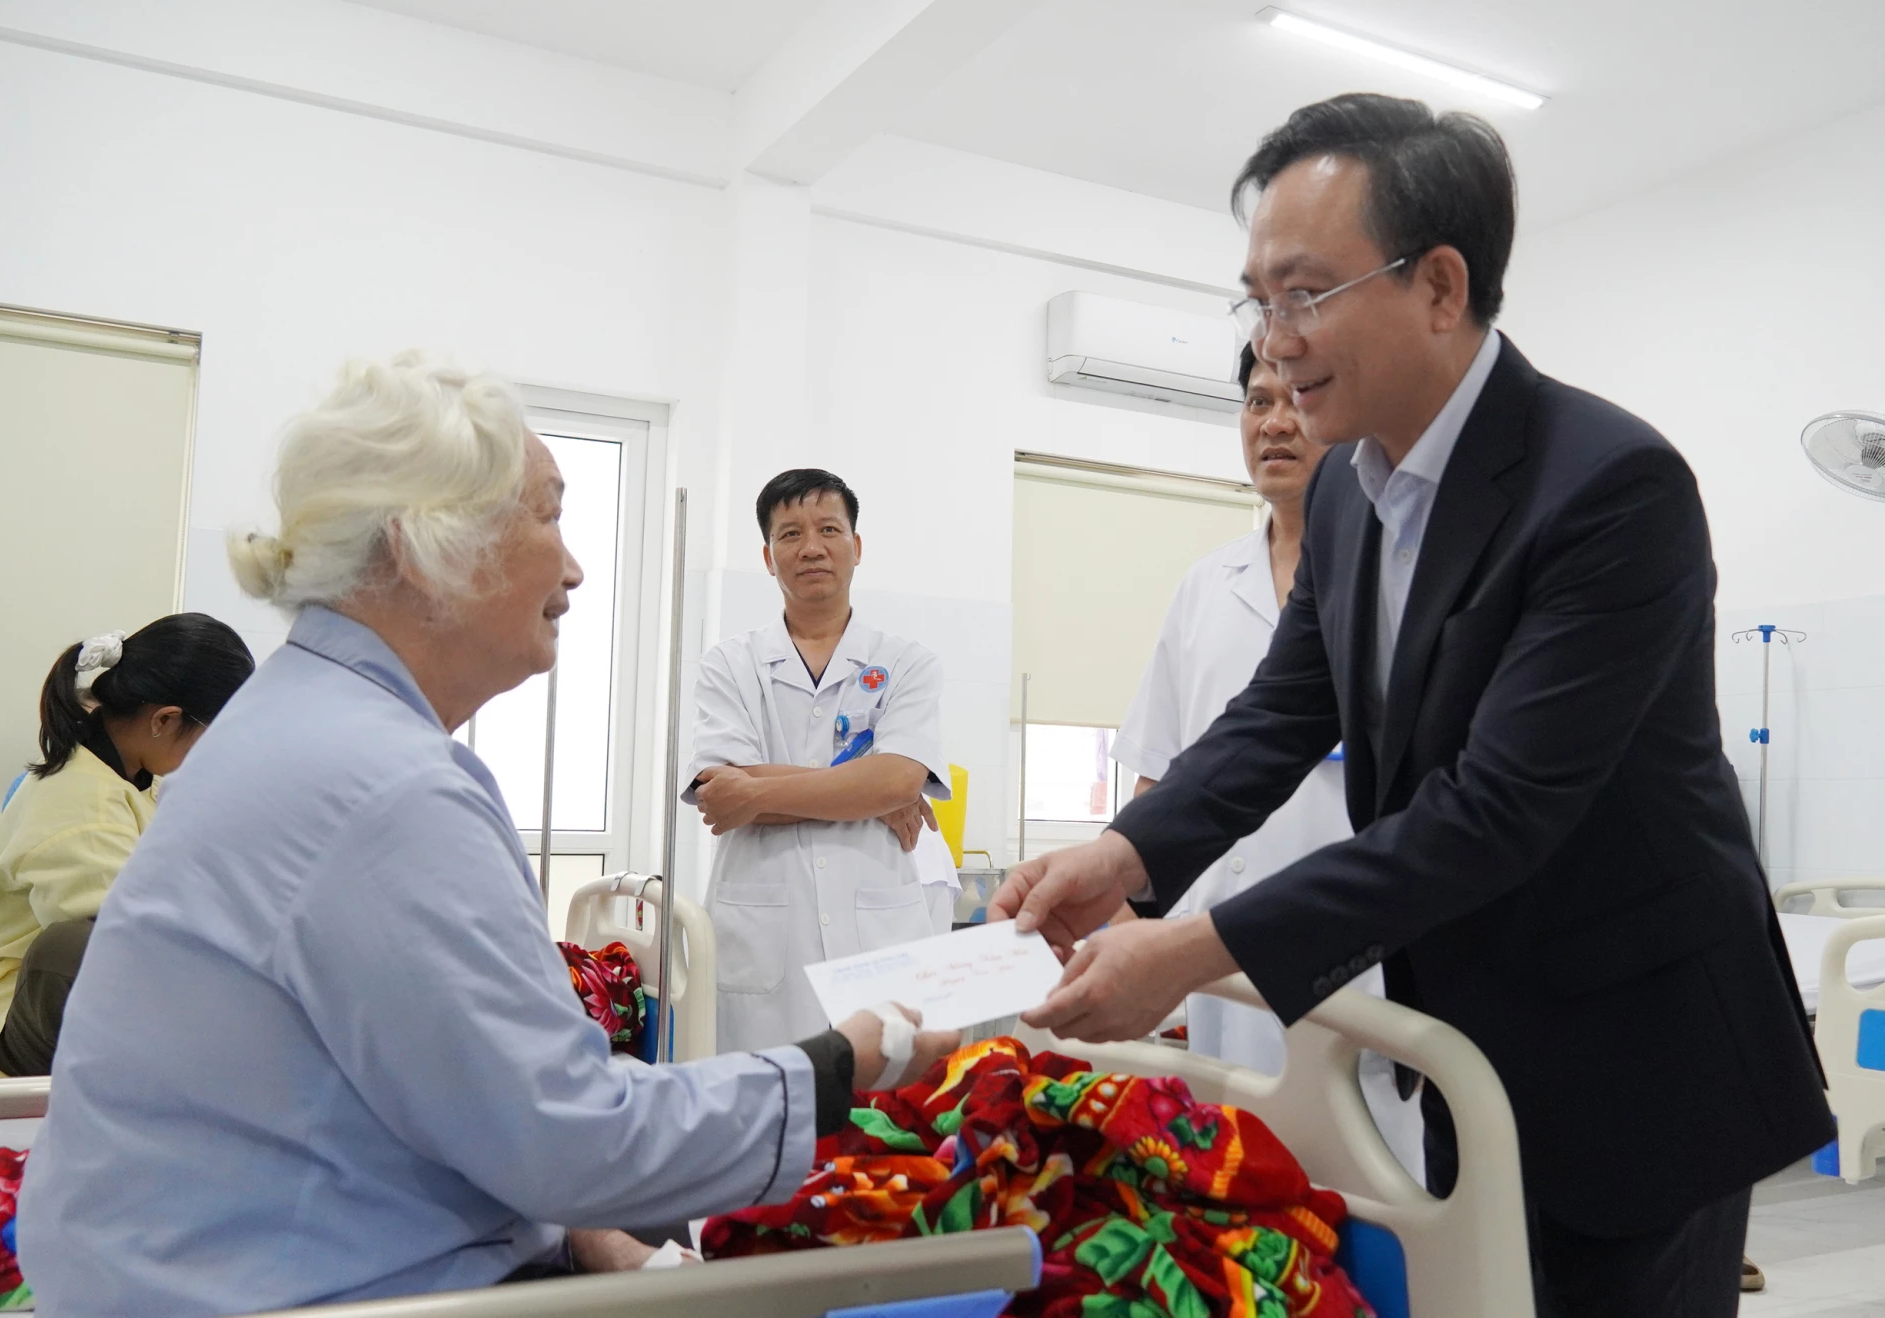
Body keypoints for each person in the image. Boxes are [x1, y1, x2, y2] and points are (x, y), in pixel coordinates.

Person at [994, 94, 1830, 1317]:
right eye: (1256, 300)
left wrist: (1193, 952)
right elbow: (1279, 714)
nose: (1274, 343)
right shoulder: (1350, 489)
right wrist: (1123, 858)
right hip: (1473, 1039)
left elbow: (1494, 810)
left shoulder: (1610, 488)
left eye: (1303, 294)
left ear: (1441, 285)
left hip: (1639, 1059)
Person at [18, 355, 958, 1317]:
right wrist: (845, 1061)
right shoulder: (385, 786)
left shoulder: (294, 719)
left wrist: (586, 1235)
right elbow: (575, 1137)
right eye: (549, 518)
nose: (575, 568)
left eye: (829, 532)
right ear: (428, 547)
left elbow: (462, 1100)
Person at [1112, 344, 1422, 1181]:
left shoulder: (1399, 576)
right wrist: (1126, 908)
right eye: (1257, 402)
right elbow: (1161, 773)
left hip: (1365, 954)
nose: (1276, 423)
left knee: (1374, 1189)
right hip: (1220, 957)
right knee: (1238, 1185)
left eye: (1295, 399)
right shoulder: (1204, 586)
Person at [689, 469, 954, 1052]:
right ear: (768, 557)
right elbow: (719, 794)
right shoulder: (729, 665)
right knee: (765, 1095)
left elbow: (899, 778)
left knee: (883, 1097)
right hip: (764, 947)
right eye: (790, 534)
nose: (811, 547)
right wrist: (868, 795)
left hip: (877, 934)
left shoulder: (907, 664)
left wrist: (756, 792)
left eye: (829, 530)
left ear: (856, 547)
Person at [0, 612, 253, 1078]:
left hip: (99, 999)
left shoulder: (131, 776)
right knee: (78, 947)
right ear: (165, 719)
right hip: (12, 1027)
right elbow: (138, 942)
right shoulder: (79, 806)